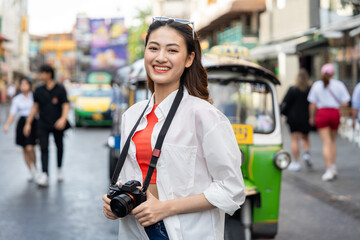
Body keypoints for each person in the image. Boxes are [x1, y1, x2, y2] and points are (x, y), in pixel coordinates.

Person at [102, 17, 245, 239]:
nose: (160, 57)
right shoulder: (132, 115)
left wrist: (165, 208)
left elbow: (232, 190)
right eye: (153, 48)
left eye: (172, 50)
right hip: (135, 233)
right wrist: (116, 202)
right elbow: (132, 179)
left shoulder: (205, 116)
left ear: (189, 59)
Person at [24, 64, 70, 187]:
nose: (40, 75)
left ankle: (59, 168)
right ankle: (45, 174)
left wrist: (63, 119)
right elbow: (35, 107)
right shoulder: (38, 90)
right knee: (43, 148)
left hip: (57, 123)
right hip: (43, 123)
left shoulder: (60, 89)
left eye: (42, 73)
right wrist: (28, 123)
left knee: (59, 145)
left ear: (49, 74)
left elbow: (65, 105)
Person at [308, 63, 350, 181]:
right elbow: (346, 102)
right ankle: (333, 165)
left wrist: (311, 117)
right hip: (334, 113)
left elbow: (312, 104)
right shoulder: (339, 85)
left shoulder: (317, 85)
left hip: (322, 113)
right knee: (332, 141)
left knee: (326, 142)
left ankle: (328, 169)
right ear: (334, 73)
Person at [3, 77, 38, 181]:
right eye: (22, 84)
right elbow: (12, 113)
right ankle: (30, 170)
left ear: (30, 85)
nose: (23, 86)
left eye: (25, 84)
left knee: (30, 147)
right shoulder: (17, 99)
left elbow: (37, 110)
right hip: (22, 123)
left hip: (33, 123)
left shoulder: (34, 97)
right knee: (24, 148)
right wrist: (7, 125)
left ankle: (36, 168)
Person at [280, 69, 312, 171]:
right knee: (305, 137)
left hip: (293, 118)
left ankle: (296, 162)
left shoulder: (292, 89)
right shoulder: (310, 89)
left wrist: (282, 113)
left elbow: (285, 102)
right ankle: (306, 154)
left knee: (294, 139)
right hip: (306, 117)